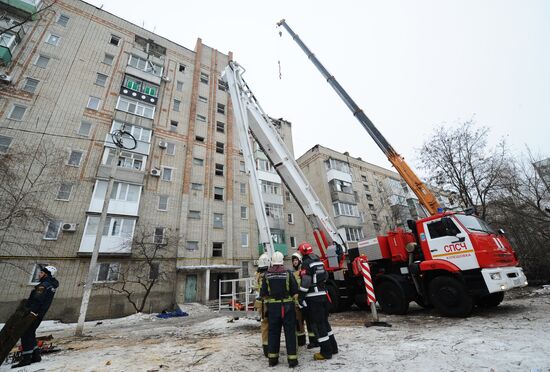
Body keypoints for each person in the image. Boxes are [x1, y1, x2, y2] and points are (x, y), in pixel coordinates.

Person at [12, 265, 59, 368]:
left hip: (33, 313)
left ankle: (26, 358)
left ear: (46, 274)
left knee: (25, 333)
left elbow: (37, 301)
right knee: (30, 332)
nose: (39, 274)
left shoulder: (44, 285)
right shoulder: (50, 285)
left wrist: (29, 312)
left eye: (41, 273)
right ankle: (36, 355)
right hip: (39, 313)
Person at [297, 242, 338, 361]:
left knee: (318, 325)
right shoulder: (319, 261)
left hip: (314, 299)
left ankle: (326, 352)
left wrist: (301, 296)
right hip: (324, 296)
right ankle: (333, 347)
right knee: (325, 323)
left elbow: (306, 282)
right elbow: (325, 276)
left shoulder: (306, 263)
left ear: (302, 252)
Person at [260, 251, 299, 368]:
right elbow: (295, 291)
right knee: (290, 333)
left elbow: (263, 293)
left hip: (273, 308)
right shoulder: (288, 273)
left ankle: (272, 359)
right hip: (287, 307)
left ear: (272, 262)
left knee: (273, 333)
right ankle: (292, 360)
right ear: (282, 261)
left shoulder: (267, 275)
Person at [291, 252, 314, 347]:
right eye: (293, 261)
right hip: (296, 302)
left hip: (305, 299)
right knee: (298, 322)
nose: (294, 262)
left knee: (310, 321)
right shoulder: (292, 273)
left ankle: (313, 340)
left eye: (296, 260)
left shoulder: (304, 271)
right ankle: (301, 340)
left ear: (300, 260)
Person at [254, 253, 270, 357]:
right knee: (271, 325)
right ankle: (271, 347)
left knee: (264, 326)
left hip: (262, 303)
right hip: (269, 302)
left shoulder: (257, 275)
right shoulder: (269, 274)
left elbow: (256, 290)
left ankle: (266, 348)